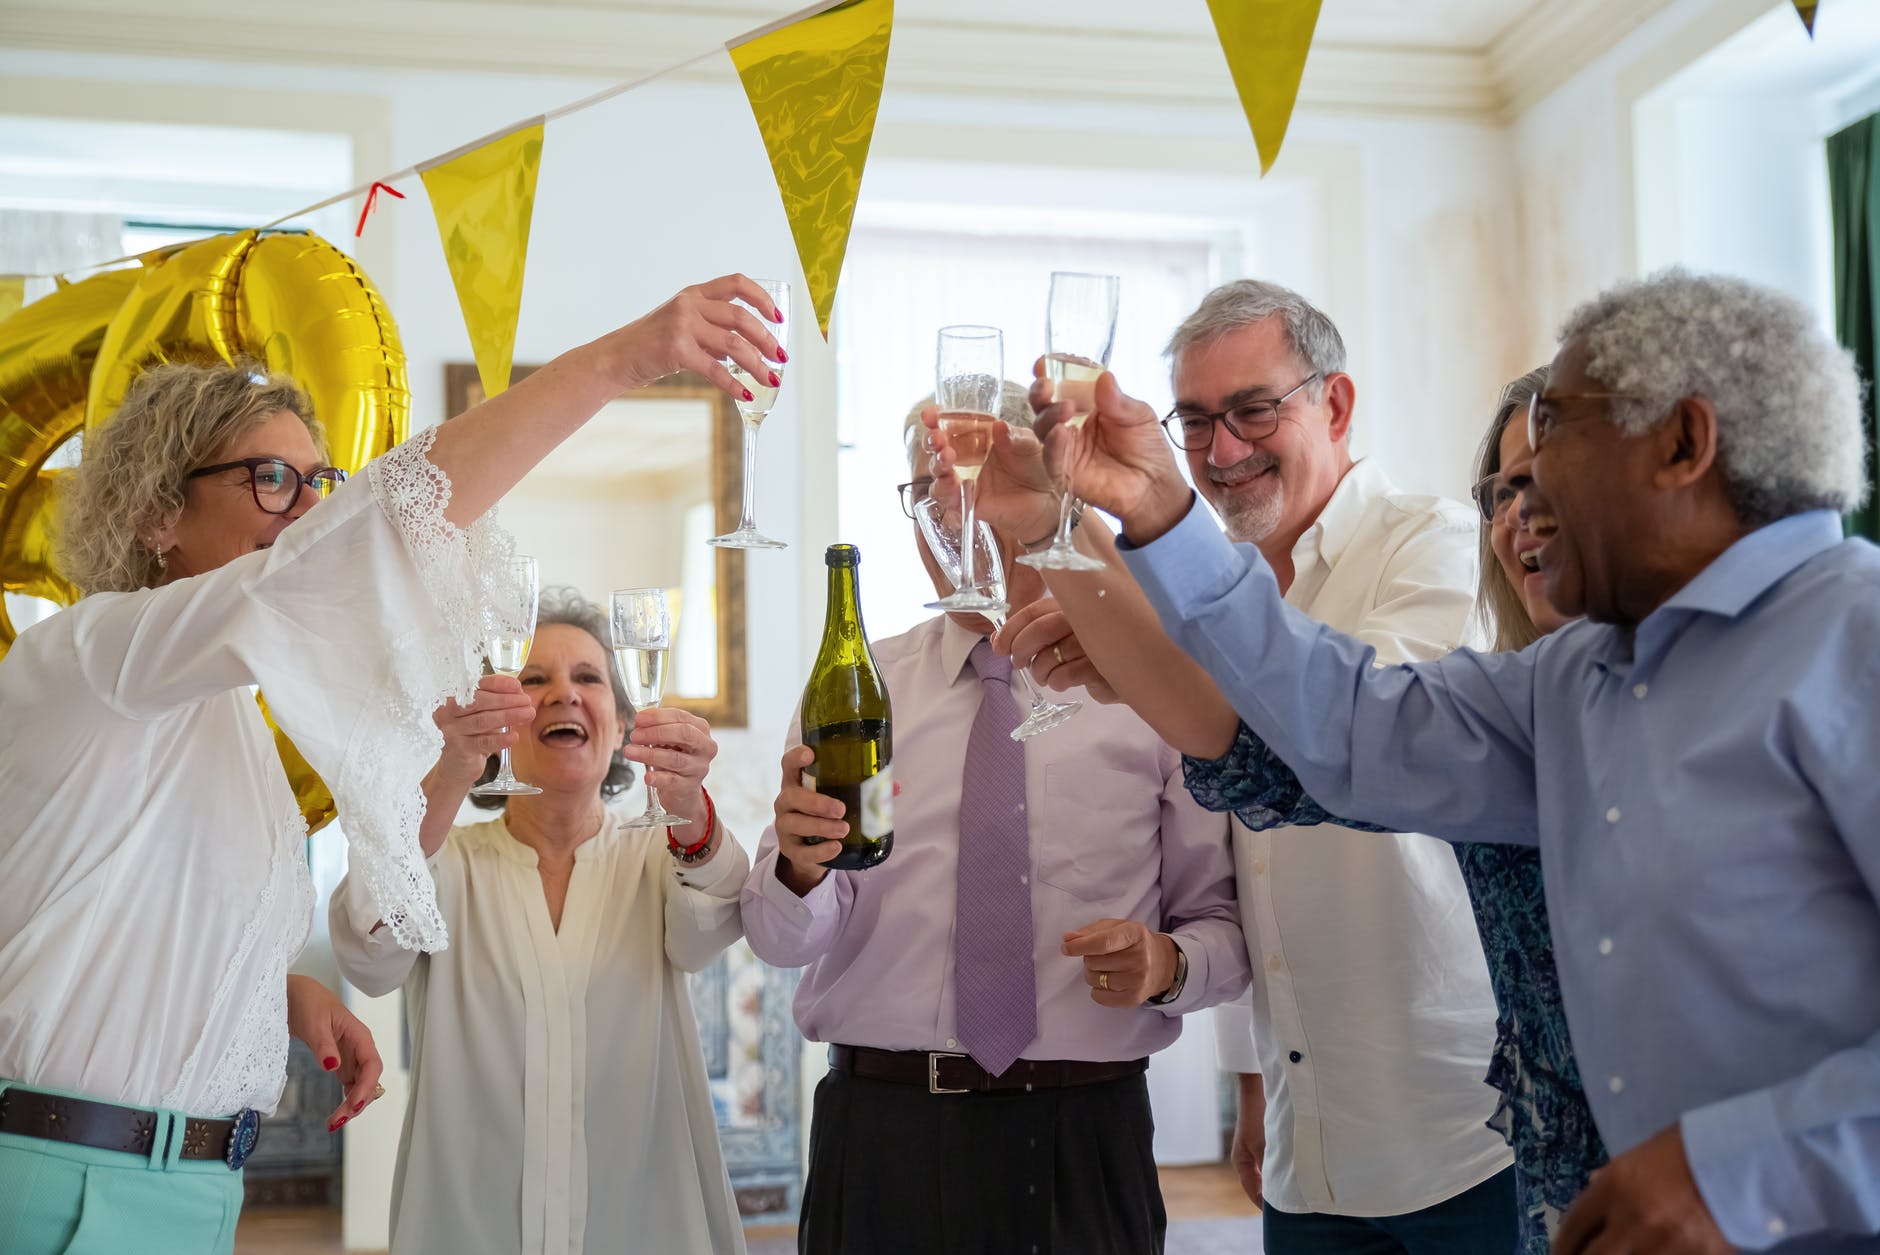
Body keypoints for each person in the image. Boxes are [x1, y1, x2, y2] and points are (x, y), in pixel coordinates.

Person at [1044, 268, 1880, 1254]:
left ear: (1681, 444)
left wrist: (1735, 1167)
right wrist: (1156, 506)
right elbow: (1346, 722)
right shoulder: (1569, 678)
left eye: (1555, 425)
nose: (1524, 493)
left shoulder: (1854, 642)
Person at [0, 274, 781, 1254]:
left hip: (194, 1186)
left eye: (317, 483)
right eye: (271, 478)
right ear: (159, 511)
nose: (306, 514)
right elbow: (362, 546)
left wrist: (281, 996)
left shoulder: (230, 722)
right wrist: (625, 357)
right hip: (75, 1179)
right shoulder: (89, 654)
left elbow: (126, 918)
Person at [931, 281, 1517, 1254]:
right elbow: (1245, 875)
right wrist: (1252, 1082)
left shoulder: (1432, 547)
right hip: (1308, 1143)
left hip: (1465, 1134)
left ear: (1335, 404)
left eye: (1252, 410)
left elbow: (1324, 747)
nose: (1222, 449)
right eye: (1195, 422)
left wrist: (1144, 651)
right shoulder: (1189, 595)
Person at [1007, 367, 1603, 1255]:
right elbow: (1289, 757)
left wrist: (1142, 518)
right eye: (1506, 490)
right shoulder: (1511, 705)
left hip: (1501, 1151)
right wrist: (1065, 533)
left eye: (1253, 409)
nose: (1524, 515)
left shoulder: (1426, 551)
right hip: (1407, 1151)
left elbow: (1322, 727)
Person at [740, 384, 1247, 1255]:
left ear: (1043, 493)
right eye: (924, 488)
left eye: (970, 479)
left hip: (1083, 1137)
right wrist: (799, 868)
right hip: (881, 1136)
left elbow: (1227, 929)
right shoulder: (861, 691)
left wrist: (1168, 964)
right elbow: (782, 939)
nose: (947, 507)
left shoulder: (1149, 688)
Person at [331, 586, 748, 1255]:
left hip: (642, 1229)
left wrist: (689, 806)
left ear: (622, 723)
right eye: (533, 680)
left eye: (589, 677)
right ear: (497, 719)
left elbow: (712, 926)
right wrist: (453, 768)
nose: (564, 694)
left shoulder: (658, 854)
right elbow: (367, 955)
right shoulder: (447, 863)